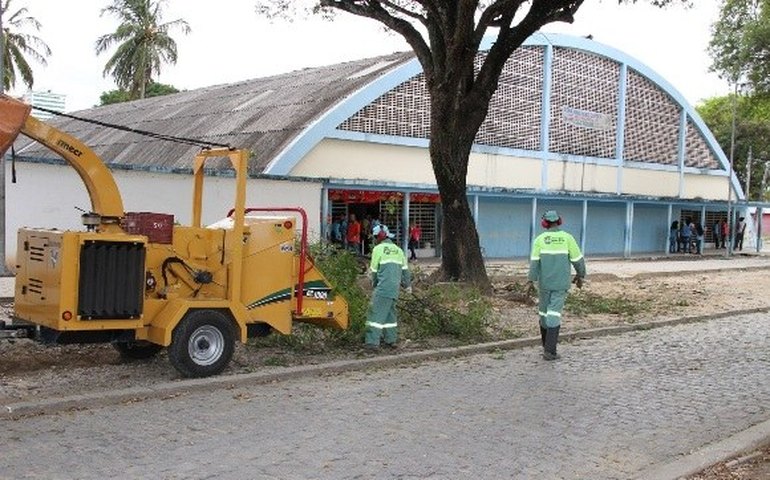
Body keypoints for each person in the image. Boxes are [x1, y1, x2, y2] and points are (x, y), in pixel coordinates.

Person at [527, 210, 586, 361]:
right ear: (559, 221)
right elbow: (578, 260)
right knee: (554, 314)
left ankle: (545, 346)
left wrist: (531, 280)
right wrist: (581, 275)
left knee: (544, 313)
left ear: (544, 223)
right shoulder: (568, 238)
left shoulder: (539, 239)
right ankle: (550, 351)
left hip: (544, 284)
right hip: (561, 284)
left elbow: (534, 263)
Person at [365, 224, 412, 350]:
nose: (375, 240)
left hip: (383, 288)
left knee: (374, 314)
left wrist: (374, 286)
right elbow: (406, 272)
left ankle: (371, 342)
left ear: (379, 236)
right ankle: (391, 340)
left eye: (375, 237)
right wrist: (407, 286)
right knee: (390, 315)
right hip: (394, 290)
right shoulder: (398, 250)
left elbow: (374, 272)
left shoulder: (378, 249)